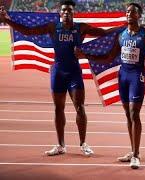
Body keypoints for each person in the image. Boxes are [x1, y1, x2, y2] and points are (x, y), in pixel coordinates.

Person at [0, 0, 121, 156]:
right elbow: (29, 31)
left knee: (80, 107)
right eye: (64, 11)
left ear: (73, 13)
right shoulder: (53, 27)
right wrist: (7, 20)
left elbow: (103, 33)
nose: (66, 13)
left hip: (74, 72)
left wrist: (124, 27)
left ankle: (83, 143)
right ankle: (61, 145)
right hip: (58, 71)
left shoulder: (81, 28)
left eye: (69, 11)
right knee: (58, 108)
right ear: (60, 13)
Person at [75, 3, 145, 169]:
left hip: (137, 76)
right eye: (128, 11)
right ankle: (132, 150)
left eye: (133, 11)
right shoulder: (121, 35)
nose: (129, 13)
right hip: (123, 76)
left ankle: (136, 155)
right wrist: (85, 55)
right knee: (128, 115)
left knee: (134, 113)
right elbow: (109, 57)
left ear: (139, 15)